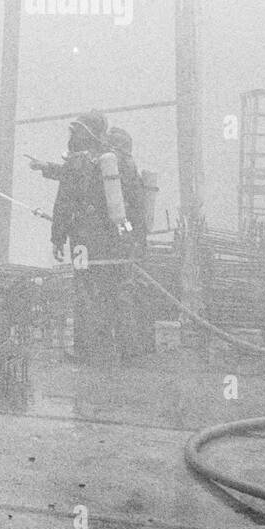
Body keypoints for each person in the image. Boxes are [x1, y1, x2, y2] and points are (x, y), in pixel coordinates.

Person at [47, 111, 129, 364]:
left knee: (84, 288)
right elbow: (133, 204)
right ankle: (112, 347)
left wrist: (57, 237)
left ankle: (86, 350)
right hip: (113, 240)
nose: (72, 136)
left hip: (83, 240)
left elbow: (64, 204)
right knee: (109, 290)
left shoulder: (76, 163)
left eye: (76, 131)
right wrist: (133, 241)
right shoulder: (119, 161)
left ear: (85, 134)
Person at [105, 126, 152, 358]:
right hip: (130, 235)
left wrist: (126, 233)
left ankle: (130, 348)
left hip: (125, 235)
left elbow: (130, 209)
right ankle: (139, 346)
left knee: (123, 292)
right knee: (131, 290)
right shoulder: (128, 164)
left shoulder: (118, 165)